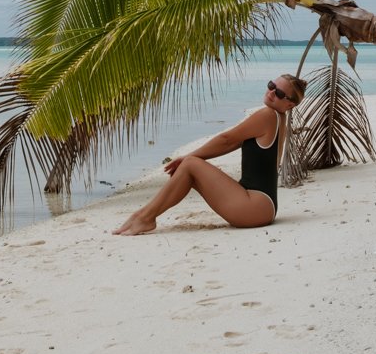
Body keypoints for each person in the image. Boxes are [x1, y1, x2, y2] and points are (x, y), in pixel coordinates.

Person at [113, 73, 307, 236]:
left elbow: (227, 139)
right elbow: (233, 143)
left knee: (190, 164)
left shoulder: (268, 115)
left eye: (279, 93)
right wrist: (195, 160)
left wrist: (189, 157)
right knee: (190, 171)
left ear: (289, 105)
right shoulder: (278, 118)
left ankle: (144, 217)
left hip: (254, 206)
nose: (271, 92)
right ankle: (145, 216)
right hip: (262, 206)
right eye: (271, 86)